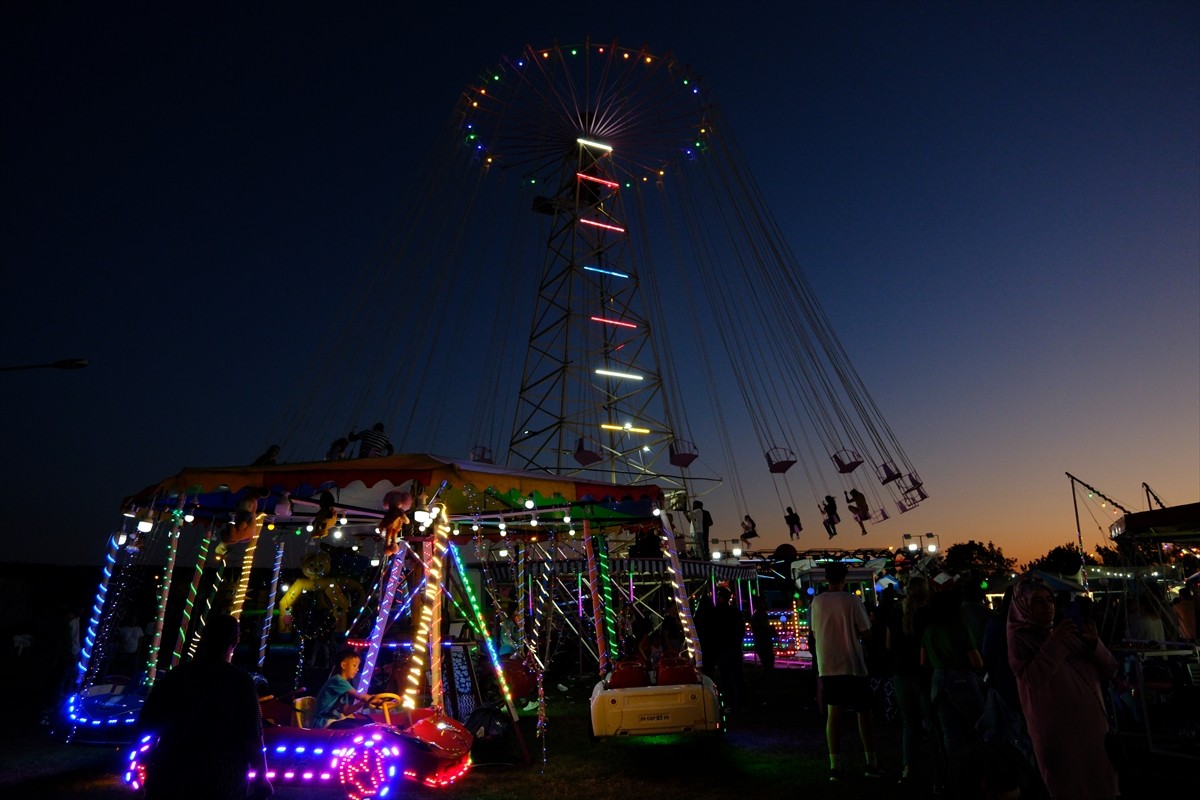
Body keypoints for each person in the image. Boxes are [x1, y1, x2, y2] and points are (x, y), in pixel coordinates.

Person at [138, 614, 271, 800]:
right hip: (222, 777)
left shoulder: (177, 676)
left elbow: (147, 722)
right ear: (235, 641)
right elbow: (253, 735)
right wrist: (261, 778)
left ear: (204, 639)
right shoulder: (240, 682)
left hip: (173, 772)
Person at [1008, 579, 1119, 800]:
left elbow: (1110, 670)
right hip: (1059, 732)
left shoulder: (1065, 633)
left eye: (1049, 600)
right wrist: (1055, 643)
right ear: (1022, 605)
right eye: (1038, 602)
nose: (1047, 607)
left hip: (1093, 729)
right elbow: (1033, 679)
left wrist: (1095, 644)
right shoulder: (1020, 640)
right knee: (1070, 785)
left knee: (1101, 784)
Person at [809, 561, 882, 781]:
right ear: (844, 579)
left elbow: (814, 632)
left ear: (825, 578)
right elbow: (866, 631)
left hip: (828, 664)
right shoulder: (852, 600)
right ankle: (871, 763)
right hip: (853, 664)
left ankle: (835, 765)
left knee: (834, 714)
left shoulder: (817, 602)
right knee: (864, 713)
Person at [921, 586, 985, 791]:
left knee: (949, 734)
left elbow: (923, 661)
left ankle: (954, 775)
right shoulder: (961, 628)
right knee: (979, 726)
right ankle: (980, 772)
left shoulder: (929, 630)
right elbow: (976, 662)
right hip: (962, 679)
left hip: (938, 681)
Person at [886, 575, 932, 788]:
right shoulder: (928, 614)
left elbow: (888, 645)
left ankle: (908, 768)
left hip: (900, 672)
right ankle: (938, 768)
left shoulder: (895, 613)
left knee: (909, 723)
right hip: (923, 673)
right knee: (931, 722)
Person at [315, 649, 380, 728]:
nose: (357, 669)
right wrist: (377, 700)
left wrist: (361, 703)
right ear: (343, 665)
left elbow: (346, 711)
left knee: (369, 724)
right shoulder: (337, 680)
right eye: (354, 665)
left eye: (358, 666)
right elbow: (359, 695)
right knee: (360, 728)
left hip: (335, 720)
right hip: (324, 722)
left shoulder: (344, 686)